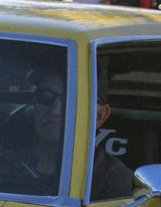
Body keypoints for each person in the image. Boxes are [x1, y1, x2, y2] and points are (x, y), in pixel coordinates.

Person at [20, 65, 132, 200]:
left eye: (72, 100)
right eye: (45, 96)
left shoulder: (114, 181)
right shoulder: (5, 162)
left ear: (99, 116)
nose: (55, 110)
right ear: (34, 102)